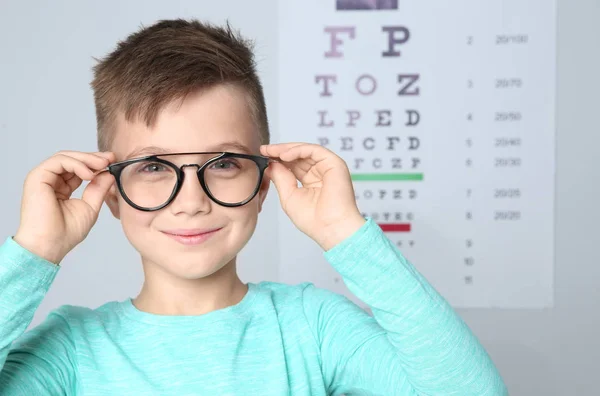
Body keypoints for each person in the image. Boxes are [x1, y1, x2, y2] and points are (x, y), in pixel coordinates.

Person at [0, 18, 508, 395]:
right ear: (110, 191)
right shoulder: (69, 351)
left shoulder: (312, 327)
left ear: (265, 181)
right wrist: (34, 251)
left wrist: (344, 232)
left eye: (222, 163)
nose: (192, 202)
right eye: (154, 167)